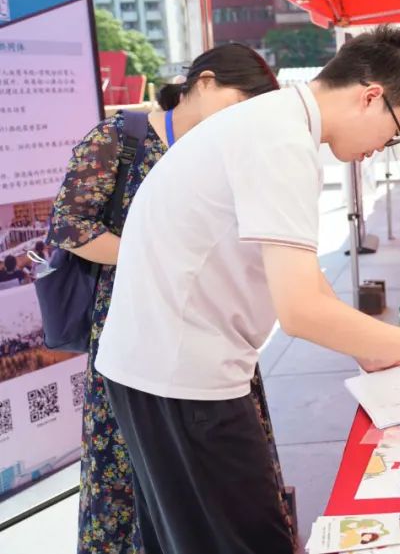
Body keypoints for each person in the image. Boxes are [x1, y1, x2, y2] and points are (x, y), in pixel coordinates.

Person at [94, 26, 400, 554]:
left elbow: (300, 274)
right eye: (395, 132)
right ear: (371, 96)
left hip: (161, 367)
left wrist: (368, 348)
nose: (380, 150)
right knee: (250, 539)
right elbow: (300, 311)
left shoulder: (273, 122)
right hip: (183, 376)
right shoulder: (282, 141)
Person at [45, 43, 282, 554]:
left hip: (214, 325)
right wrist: (156, 257)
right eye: (240, 103)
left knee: (226, 467)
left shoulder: (230, 151)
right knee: (131, 462)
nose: (243, 120)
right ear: (205, 82)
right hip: (135, 326)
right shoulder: (118, 139)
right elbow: (70, 226)